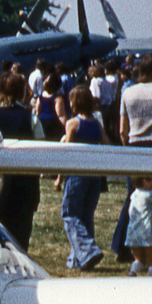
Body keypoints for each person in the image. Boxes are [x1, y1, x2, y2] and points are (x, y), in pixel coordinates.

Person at [0, 72, 44, 250]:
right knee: (21, 236)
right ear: (22, 92)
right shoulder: (32, 119)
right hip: (24, 185)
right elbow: (40, 152)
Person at [112, 54, 152, 263]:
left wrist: (127, 148)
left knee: (133, 197)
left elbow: (122, 129)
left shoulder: (128, 92)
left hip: (135, 146)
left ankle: (122, 246)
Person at [55, 85, 105, 270]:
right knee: (86, 216)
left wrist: (59, 178)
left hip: (77, 173)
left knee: (69, 213)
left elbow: (66, 153)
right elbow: (106, 144)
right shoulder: (96, 124)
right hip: (94, 175)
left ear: (74, 103)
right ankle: (78, 260)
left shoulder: (73, 124)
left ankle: (88, 251)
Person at [126, 177, 152, 276]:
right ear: (143, 181)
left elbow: (129, 211)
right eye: (151, 180)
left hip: (135, 231)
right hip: (149, 231)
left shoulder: (135, 194)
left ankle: (133, 271)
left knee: (138, 259)